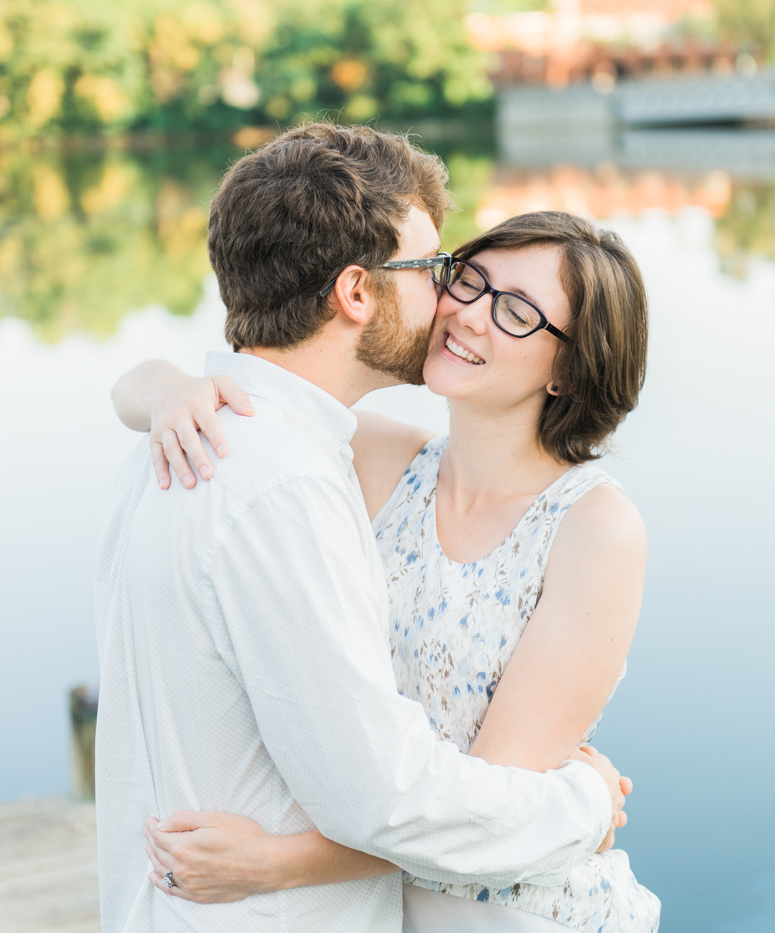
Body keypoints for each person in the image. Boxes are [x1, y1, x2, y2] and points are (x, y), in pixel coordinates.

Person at [110, 129, 659, 932]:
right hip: (399, 902)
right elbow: (246, 395)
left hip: (514, 909)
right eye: (466, 278)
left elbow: (482, 806)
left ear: (568, 367)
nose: (464, 311)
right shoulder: (373, 459)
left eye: (514, 310)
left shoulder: (591, 526)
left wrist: (279, 860)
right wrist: (162, 388)